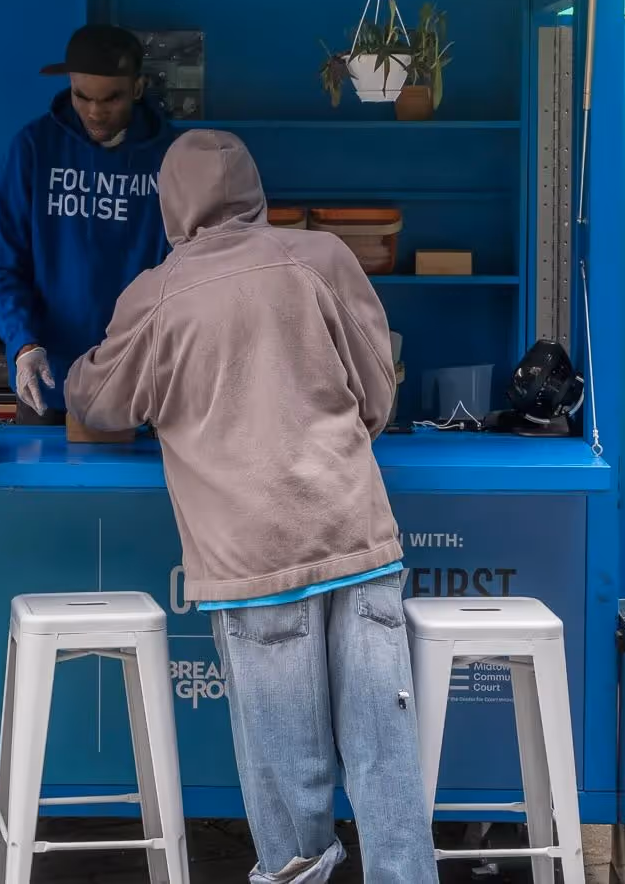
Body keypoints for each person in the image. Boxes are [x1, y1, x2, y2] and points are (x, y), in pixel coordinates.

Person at [65, 130, 437, 884]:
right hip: (356, 536)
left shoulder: (157, 292)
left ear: (174, 205)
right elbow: (377, 394)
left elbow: (98, 401)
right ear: (255, 194)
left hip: (254, 562)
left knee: (287, 777)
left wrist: (60, 368)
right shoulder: (323, 257)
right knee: (384, 759)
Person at [0, 24, 172, 424]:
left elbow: (189, 269)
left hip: (145, 382)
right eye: (81, 96)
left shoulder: (172, 156)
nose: (95, 111)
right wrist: (22, 345)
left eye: (111, 98)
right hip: (46, 377)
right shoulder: (33, 148)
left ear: (137, 89)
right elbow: (3, 265)